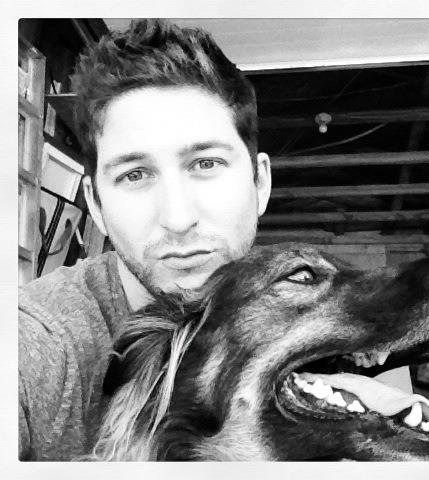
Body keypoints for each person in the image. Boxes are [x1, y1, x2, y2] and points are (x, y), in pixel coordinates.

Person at [18, 19, 271, 461]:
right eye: (134, 175)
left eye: (206, 164)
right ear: (95, 205)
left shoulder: (294, 314)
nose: (178, 219)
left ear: (260, 183)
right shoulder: (38, 341)